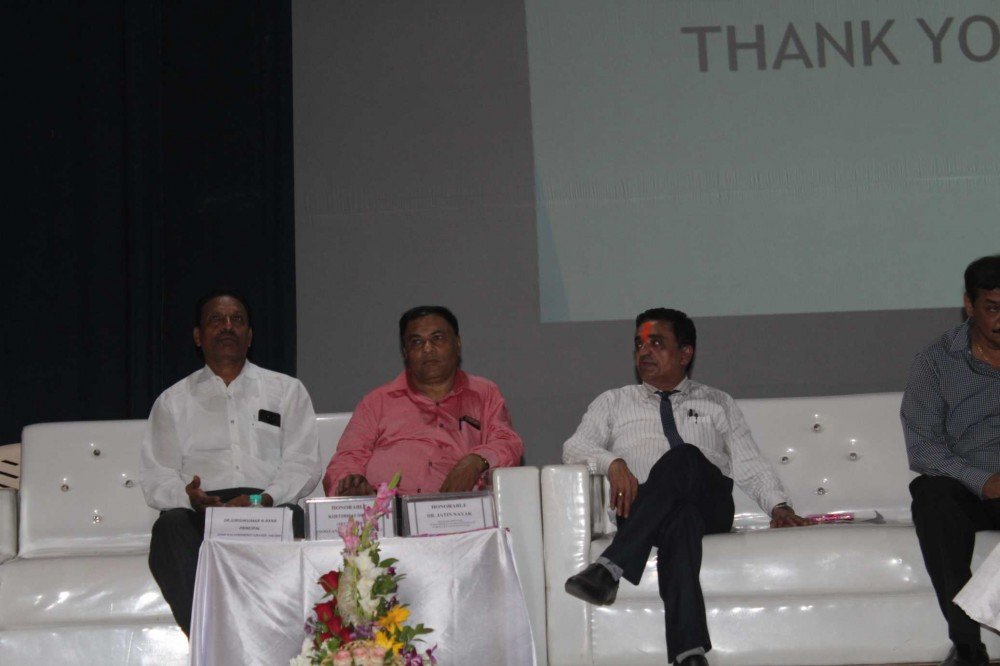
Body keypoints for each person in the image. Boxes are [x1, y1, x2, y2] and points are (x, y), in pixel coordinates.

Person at [562, 307, 809, 666]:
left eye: (657, 343)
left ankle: (611, 567)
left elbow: (749, 462)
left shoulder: (717, 402)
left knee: (685, 457)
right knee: (681, 520)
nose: (644, 352)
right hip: (642, 508)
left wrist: (778, 506)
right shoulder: (613, 401)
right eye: (639, 344)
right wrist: (612, 463)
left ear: (685, 353)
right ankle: (689, 652)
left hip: (711, 504)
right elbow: (575, 448)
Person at [139, 289, 320, 636]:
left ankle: (278, 641)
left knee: (296, 520)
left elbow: (303, 464)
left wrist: (262, 498)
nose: (227, 327)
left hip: (266, 503)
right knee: (169, 529)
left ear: (249, 336)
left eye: (237, 320)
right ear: (198, 336)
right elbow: (157, 476)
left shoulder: (287, 391)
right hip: (202, 510)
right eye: (216, 320)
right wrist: (190, 497)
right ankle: (213, 640)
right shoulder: (172, 401)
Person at [902, 255, 1000, 666]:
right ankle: (967, 646)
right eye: (993, 308)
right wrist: (983, 480)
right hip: (966, 488)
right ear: (969, 305)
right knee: (931, 496)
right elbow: (923, 448)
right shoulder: (936, 361)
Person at [323, 305, 523, 496]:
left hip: (457, 510)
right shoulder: (377, 401)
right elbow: (346, 459)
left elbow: (507, 443)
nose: (428, 348)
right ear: (405, 352)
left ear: (457, 343)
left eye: (438, 338)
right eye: (417, 342)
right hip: (388, 511)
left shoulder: (484, 393)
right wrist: (350, 483)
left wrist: (475, 461)